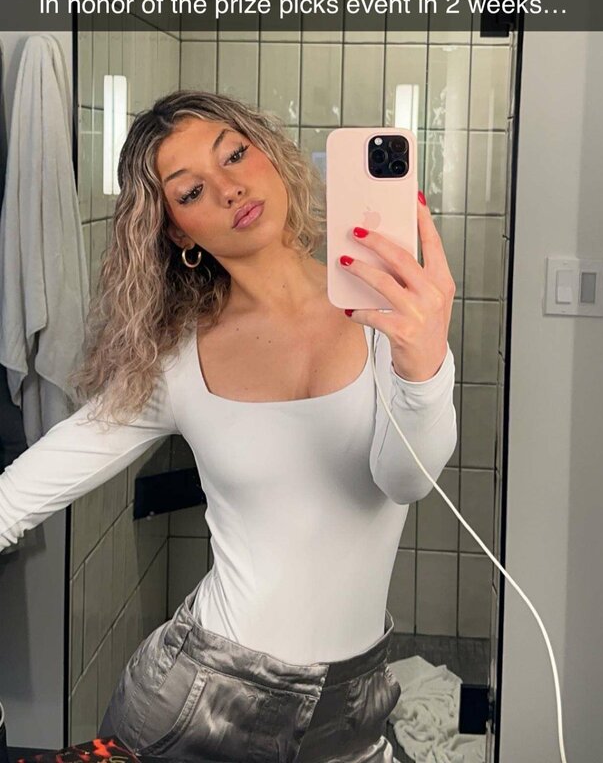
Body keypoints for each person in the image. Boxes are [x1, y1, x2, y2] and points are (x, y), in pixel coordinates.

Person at [0, 90, 457, 763]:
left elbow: (405, 480)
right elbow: (14, 497)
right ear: (178, 232)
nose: (229, 188)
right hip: (200, 704)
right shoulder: (175, 363)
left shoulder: (394, 314)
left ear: (268, 154)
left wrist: (423, 365)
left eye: (235, 155)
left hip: (353, 709)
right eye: (191, 191)